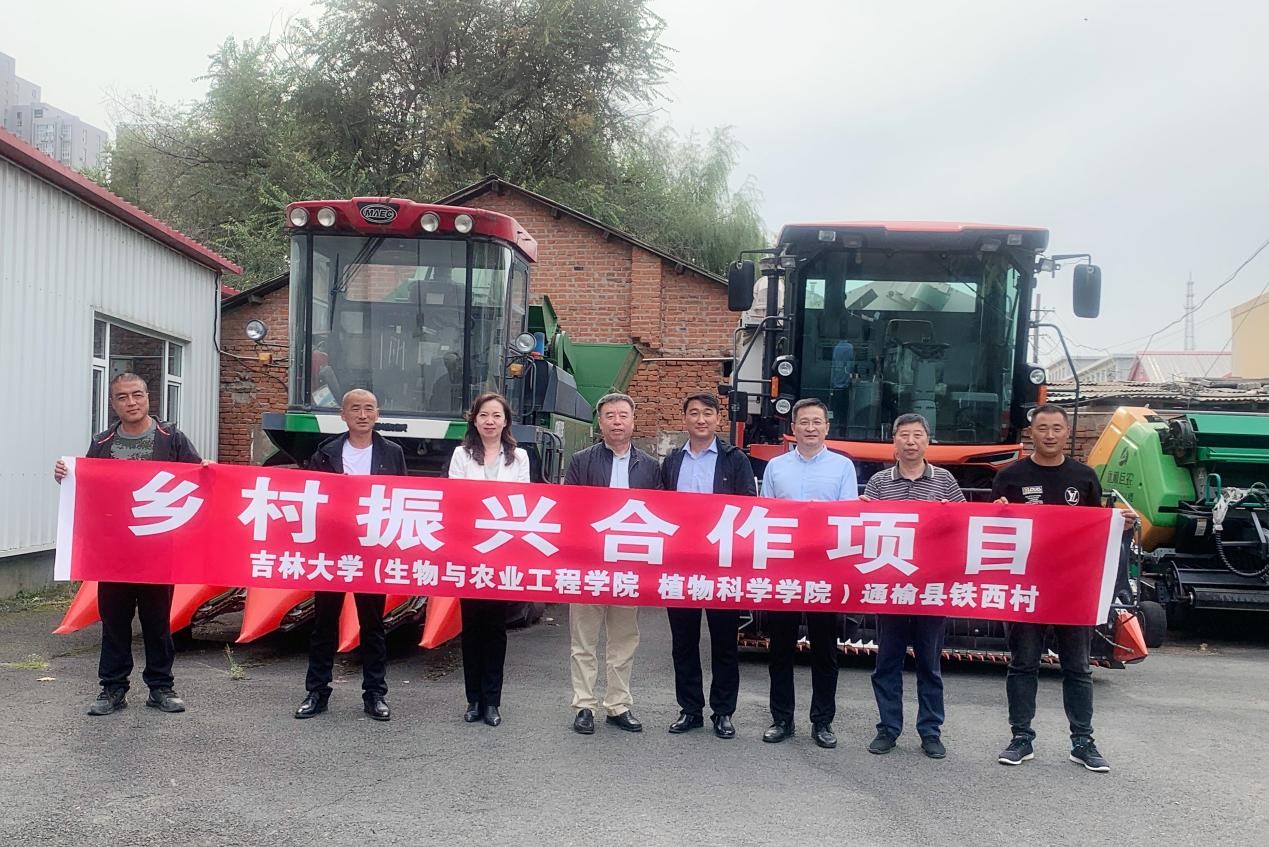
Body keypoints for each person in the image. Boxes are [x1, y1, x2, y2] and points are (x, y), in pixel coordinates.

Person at [52, 372, 201, 717]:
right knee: (114, 622)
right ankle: (112, 688)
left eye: (137, 395)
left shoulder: (171, 439)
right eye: (122, 397)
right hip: (114, 551)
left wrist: (207, 470)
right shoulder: (102, 442)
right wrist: (66, 476)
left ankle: (161, 688)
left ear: (149, 397)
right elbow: (87, 487)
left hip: (158, 548)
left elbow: (198, 481)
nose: (131, 402)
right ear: (113, 403)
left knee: (157, 622)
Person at [991, 403, 1126, 773]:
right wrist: (997, 510)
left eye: (1056, 428)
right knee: (1023, 664)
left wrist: (1119, 524)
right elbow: (993, 533)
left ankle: (1083, 741)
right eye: (1042, 428)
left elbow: (1097, 529)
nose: (1049, 435)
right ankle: (1021, 737)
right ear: (1030, 433)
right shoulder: (1010, 477)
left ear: (1067, 433)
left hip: (1073, 587)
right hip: (1026, 585)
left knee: (1078, 667)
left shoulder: (1084, 477)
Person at [295, 388, 407, 722]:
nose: (362, 414)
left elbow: (403, 498)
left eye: (369, 408)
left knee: (372, 625)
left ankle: (375, 694)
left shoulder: (392, 453)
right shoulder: (326, 452)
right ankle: (317, 692)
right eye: (355, 409)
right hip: (333, 551)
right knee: (323, 623)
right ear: (342, 415)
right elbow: (313, 497)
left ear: (378, 414)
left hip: (372, 551)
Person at [860, 413, 964, 759]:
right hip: (890, 587)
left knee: (929, 664)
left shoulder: (945, 481)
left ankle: (930, 731)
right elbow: (866, 529)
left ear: (927, 441)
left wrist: (951, 516)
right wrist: (860, 512)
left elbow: (965, 526)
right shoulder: (878, 483)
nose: (910, 441)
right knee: (887, 662)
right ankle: (888, 729)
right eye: (903, 435)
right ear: (894, 441)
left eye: (917, 435)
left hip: (931, 588)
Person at [760, 398, 858, 749]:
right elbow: (766, 515)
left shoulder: (843, 467)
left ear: (827, 427)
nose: (811, 428)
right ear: (794, 428)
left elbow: (848, 517)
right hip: (785, 570)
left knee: (824, 650)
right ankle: (781, 719)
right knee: (780, 649)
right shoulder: (776, 467)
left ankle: (822, 721)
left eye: (817, 422)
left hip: (824, 571)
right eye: (804, 422)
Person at [660, 393, 756, 739]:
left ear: (718, 419)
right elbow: (660, 507)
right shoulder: (672, 460)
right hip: (681, 564)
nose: (701, 420)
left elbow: (748, 508)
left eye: (708, 414)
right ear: (684, 418)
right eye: (694, 413)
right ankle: (690, 709)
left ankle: (723, 711)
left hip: (722, 565)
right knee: (683, 642)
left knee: (724, 642)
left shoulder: (735, 460)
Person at [564, 392, 662, 735]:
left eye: (623, 415)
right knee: (584, 640)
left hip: (629, 565)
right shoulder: (581, 461)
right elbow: (569, 509)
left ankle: (618, 705)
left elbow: (659, 514)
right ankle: (584, 705)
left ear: (633, 421)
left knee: (624, 639)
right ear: (600, 422)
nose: (617, 422)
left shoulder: (650, 466)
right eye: (610, 416)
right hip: (589, 562)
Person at [448, 392, 531, 728]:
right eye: (484, 415)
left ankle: (493, 701)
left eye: (497, 415)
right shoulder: (461, 455)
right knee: (471, 628)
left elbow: (523, 501)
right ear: (475, 419)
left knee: (496, 629)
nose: (490, 421)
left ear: (506, 421)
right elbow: (456, 499)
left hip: (503, 552)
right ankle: (473, 700)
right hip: (469, 551)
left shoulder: (519, 457)